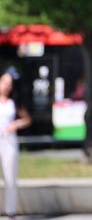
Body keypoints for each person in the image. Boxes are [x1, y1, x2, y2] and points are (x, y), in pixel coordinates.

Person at [0, 69, 32, 220]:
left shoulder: (14, 103)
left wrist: (16, 124)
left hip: (9, 141)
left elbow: (27, 119)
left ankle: (10, 212)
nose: (6, 86)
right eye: (4, 82)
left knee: (10, 178)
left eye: (9, 84)